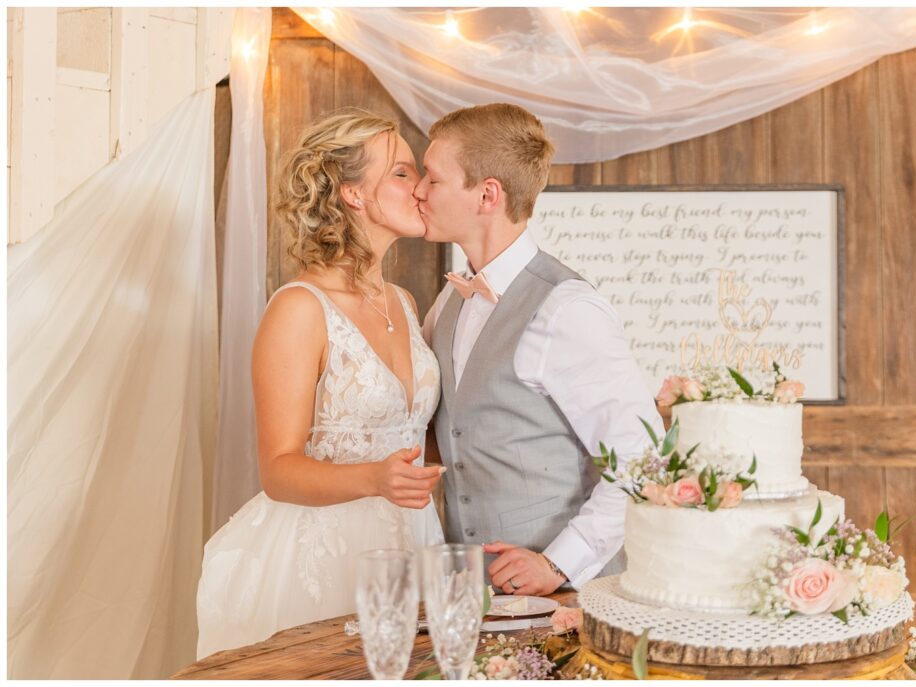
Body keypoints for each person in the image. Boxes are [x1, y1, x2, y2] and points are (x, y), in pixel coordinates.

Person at [196, 108, 445, 659]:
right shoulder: (298, 310)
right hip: (325, 555)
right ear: (353, 193)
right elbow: (280, 470)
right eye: (402, 172)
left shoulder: (403, 302)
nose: (422, 186)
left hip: (412, 540)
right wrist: (375, 478)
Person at [415, 103, 662, 596]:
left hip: (568, 601)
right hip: (470, 596)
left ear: (487, 194)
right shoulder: (449, 299)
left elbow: (643, 460)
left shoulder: (567, 309)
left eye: (432, 178)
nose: (418, 191)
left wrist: (557, 565)